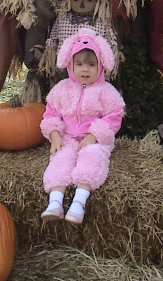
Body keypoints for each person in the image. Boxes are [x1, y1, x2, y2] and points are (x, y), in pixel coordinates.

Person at [40, 28, 125, 225]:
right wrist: (54, 135)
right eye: (79, 64)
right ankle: (55, 203)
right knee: (60, 158)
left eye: (91, 65)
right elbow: (51, 113)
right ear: (70, 65)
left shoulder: (106, 91)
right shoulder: (61, 90)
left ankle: (78, 203)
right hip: (67, 137)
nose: (85, 69)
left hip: (94, 139)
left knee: (92, 158)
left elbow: (114, 116)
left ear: (101, 66)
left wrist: (94, 135)